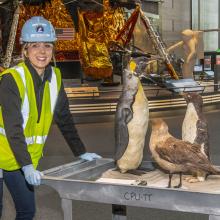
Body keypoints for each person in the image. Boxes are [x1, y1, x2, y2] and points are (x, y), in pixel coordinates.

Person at [0, 16, 101, 219]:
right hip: (10, 152)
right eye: (35, 45)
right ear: (25, 50)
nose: (42, 51)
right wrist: (27, 166)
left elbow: (64, 117)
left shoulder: (55, 77)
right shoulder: (12, 79)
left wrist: (80, 151)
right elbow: (13, 127)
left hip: (19, 158)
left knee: (27, 211)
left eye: (47, 45)